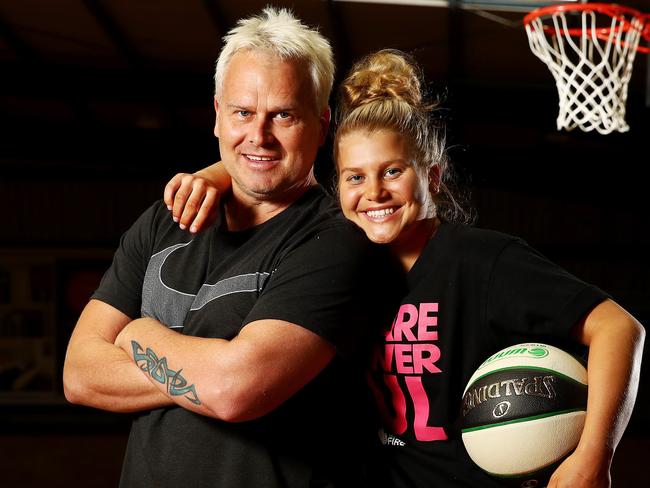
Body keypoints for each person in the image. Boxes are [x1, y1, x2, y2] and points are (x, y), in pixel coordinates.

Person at [166, 48, 645, 488]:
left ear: (432, 176)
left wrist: (593, 455)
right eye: (356, 177)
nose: (373, 192)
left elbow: (618, 327)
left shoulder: (481, 261)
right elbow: (278, 171)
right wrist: (214, 173)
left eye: (393, 171)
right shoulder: (339, 262)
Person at [63, 7, 387, 488]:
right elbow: (79, 374)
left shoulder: (336, 239)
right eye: (242, 112)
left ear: (321, 125)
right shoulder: (163, 222)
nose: (258, 135)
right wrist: (207, 374)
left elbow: (236, 389)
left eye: (283, 115)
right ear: (217, 116)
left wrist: (139, 334)